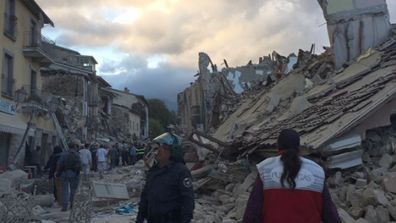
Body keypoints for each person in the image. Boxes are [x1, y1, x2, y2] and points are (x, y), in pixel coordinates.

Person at [242, 129, 341, 223]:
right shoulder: (316, 171)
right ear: (298, 147)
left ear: (278, 146)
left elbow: (252, 211)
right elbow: (329, 213)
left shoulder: (266, 168)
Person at [136, 132, 194, 223]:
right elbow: (145, 197)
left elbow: (187, 200)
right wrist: (139, 219)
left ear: (172, 150)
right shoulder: (153, 171)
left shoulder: (181, 171)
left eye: (162, 148)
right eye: (157, 148)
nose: (157, 151)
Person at [55, 143, 81, 212]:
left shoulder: (63, 154)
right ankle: (72, 204)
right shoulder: (77, 154)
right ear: (75, 147)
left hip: (64, 174)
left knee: (65, 190)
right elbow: (79, 165)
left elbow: (59, 164)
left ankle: (65, 206)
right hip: (74, 174)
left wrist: (57, 173)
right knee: (73, 190)